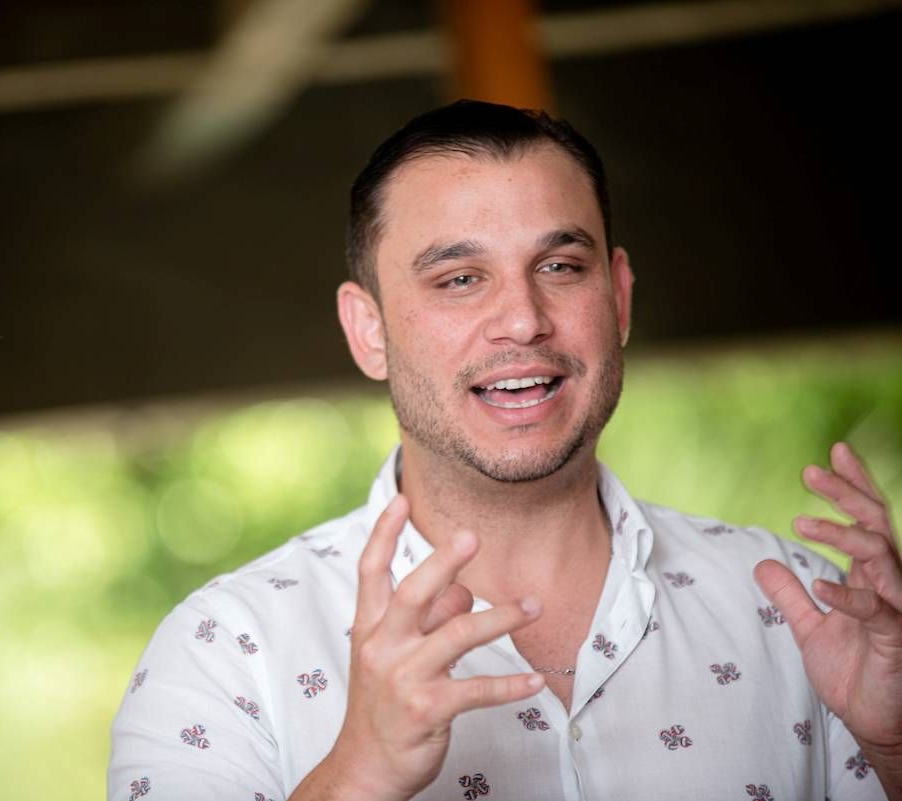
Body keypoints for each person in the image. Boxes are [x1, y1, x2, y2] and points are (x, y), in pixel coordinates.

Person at [108, 101, 901, 801]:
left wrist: (896, 749)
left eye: (560, 266)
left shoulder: (808, 614)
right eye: (459, 278)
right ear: (368, 330)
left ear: (618, 298)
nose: (522, 319)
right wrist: (358, 775)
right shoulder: (224, 651)